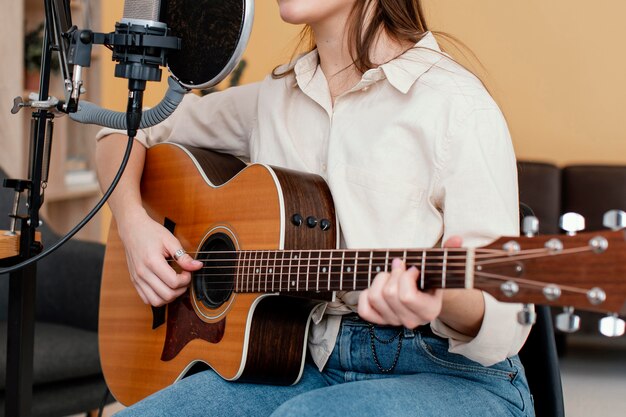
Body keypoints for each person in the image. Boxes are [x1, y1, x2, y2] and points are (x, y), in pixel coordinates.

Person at [96, 1, 534, 416]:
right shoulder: (274, 97)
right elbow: (119, 135)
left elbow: (506, 316)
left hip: (446, 373)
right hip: (299, 362)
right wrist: (135, 225)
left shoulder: (457, 105)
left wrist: (440, 297)